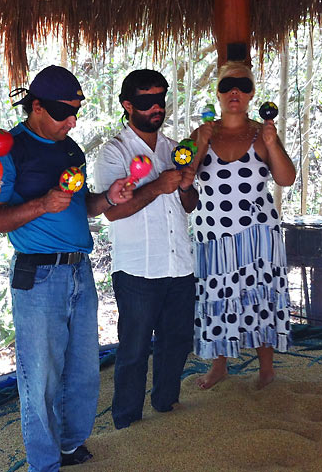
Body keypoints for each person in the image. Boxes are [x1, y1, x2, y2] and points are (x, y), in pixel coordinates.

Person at [0, 65, 133, 472]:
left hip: (79, 270)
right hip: (38, 275)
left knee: (83, 370)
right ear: (36, 107)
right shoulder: (7, 150)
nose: (72, 121)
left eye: (76, 111)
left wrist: (108, 199)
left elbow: (81, 207)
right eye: (65, 112)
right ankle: (44, 464)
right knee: (41, 377)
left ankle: (70, 446)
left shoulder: (71, 150)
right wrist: (41, 205)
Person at [93, 69, 197, 430]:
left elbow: (189, 206)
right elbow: (112, 211)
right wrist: (156, 186)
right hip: (138, 270)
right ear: (127, 105)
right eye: (145, 101)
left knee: (177, 342)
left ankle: (166, 404)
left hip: (179, 266)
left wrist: (185, 186)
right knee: (134, 350)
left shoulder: (173, 149)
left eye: (160, 99)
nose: (155, 107)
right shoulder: (114, 152)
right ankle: (127, 421)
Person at [190, 61, 296, 389]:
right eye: (226, 85)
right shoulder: (201, 134)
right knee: (217, 297)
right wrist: (201, 143)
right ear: (218, 93)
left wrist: (272, 140)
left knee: (260, 297)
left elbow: (286, 178)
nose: (234, 91)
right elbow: (184, 178)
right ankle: (219, 364)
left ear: (251, 94)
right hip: (214, 234)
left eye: (242, 85)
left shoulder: (261, 135)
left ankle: (266, 367)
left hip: (258, 235)